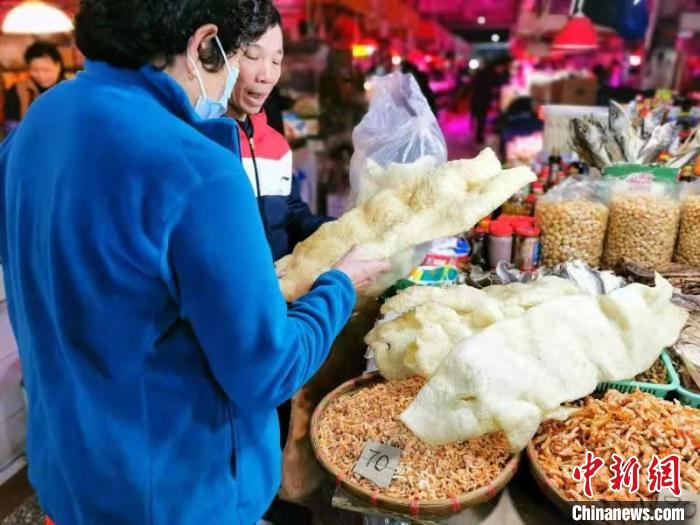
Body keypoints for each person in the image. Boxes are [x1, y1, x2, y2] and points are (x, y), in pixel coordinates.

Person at [0, 1, 389, 525]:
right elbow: (267, 372)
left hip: (70, 474)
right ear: (204, 42)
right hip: (175, 496)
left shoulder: (40, 121)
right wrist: (341, 284)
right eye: (241, 55)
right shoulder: (197, 170)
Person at [227, 14, 332, 262]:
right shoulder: (203, 145)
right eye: (252, 56)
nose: (266, 76)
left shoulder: (277, 145)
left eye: (276, 60)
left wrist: (335, 230)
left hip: (279, 293)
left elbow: (291, 212)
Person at [4, 41, 65, 133]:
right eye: (35, 70)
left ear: (58, 66)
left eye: (46, 70)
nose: (41, 75)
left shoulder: (71, 90)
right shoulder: (17, 90)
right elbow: (10, 124)